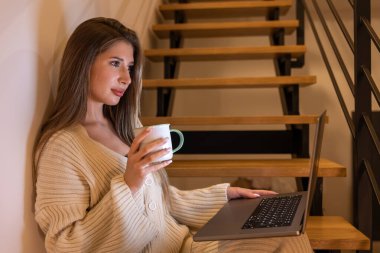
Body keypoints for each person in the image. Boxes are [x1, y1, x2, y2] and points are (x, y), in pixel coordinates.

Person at [33, 17, 313, 253]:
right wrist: (129, 183)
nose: (127, 79)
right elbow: (63, 244)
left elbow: (160, 201)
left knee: (288, 231)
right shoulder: (62, 147)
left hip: (184, 245)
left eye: (129, 67)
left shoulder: (124, 126)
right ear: (84, 62)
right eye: (115, 63)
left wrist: (225, 196)